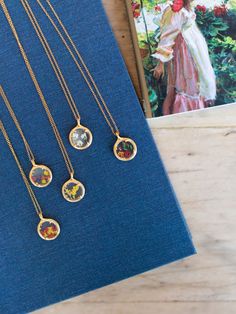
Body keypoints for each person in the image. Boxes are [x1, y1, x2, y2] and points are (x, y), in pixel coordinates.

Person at [152, 0, 216, 115]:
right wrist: (160, 63)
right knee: (185, 88)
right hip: (183, 55)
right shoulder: (175, 11)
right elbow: (166, 37)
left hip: (193, 52)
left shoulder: (187, 8)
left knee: (195, 85)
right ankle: (182, 114)